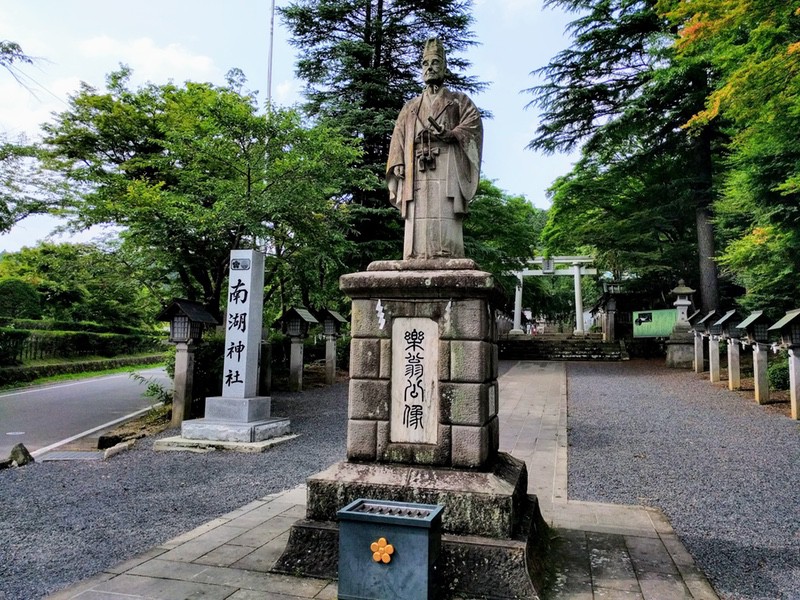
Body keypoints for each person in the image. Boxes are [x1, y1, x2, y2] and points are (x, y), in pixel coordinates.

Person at [387, 37, 483, 260]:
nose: (429, 68)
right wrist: (399, 161)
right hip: (415, 167)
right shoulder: (411, 107)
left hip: (447, 164)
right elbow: (398, 135)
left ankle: (448, 254)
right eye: (425, 64)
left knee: (444, 216)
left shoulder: (458, 101)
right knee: (417, 218)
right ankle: (415, 256)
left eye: (435, 63)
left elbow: (473, 126)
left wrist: (450, 134)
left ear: (444, 67)